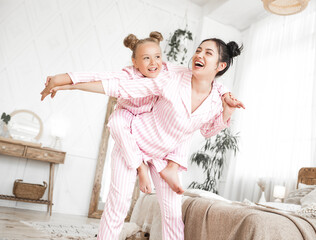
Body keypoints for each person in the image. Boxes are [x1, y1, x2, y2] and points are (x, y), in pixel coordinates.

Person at [41, 37, 244, 240]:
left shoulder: (217, 100)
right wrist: (68, 83)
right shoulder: (170, 78)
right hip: (134, 141)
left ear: (221, 65)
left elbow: (207, 131)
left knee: (173, 215)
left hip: (163, 158)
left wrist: (227, 112)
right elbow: (120, 86)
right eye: (198, 50)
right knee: (118, 205)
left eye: (207, 53)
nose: (199, 55)